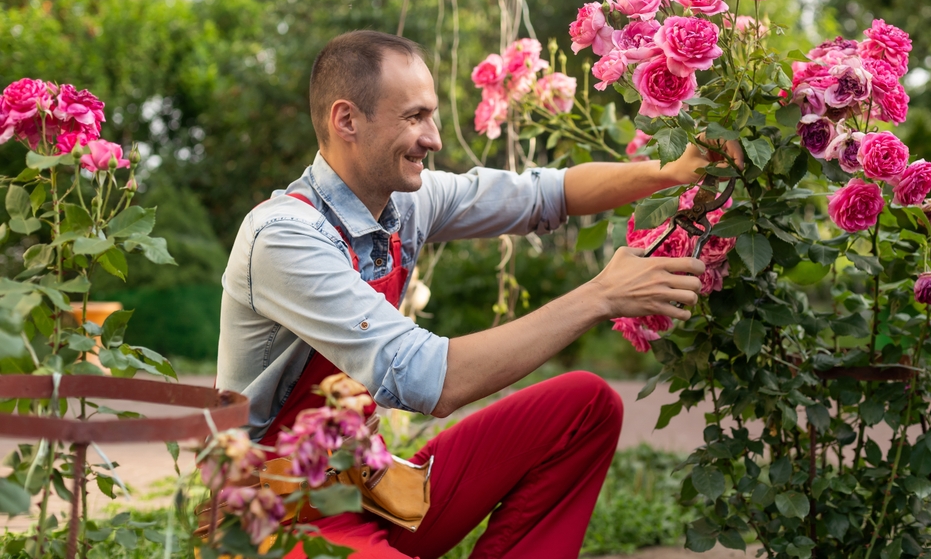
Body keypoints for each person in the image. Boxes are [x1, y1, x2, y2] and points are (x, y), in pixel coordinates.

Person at [216, 30, 735, 558]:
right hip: (276, 515)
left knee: (586, 407)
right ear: (347, 120)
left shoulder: (403, 204)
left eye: (432, 116)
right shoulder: (284, 238)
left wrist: (673, 171)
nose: (434, 138)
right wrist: (600, 296)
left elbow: (541, 194)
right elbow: (428, 379)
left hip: (367, 490)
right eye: (415, 117)